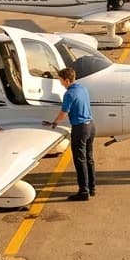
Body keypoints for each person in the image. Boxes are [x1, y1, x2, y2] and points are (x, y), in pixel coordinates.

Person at [42, 67, 95, 201]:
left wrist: (54, 123)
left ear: (66, 80)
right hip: (91, 126)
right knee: (89, 158)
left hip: (80, 129)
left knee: (80, 161)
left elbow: (64, 113)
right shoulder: (83, 89)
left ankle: (83, 192)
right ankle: (92, 187)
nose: (60, 83)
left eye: (61, 81)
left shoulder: (69, 94)